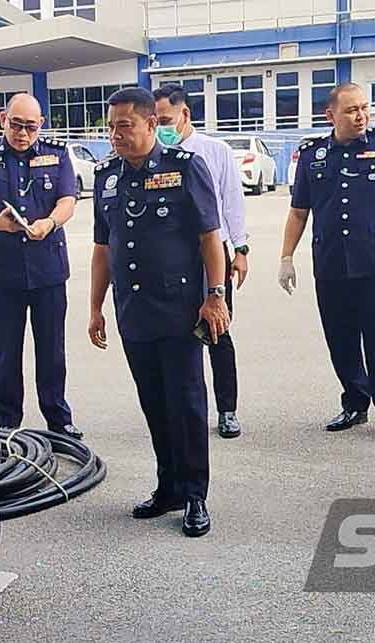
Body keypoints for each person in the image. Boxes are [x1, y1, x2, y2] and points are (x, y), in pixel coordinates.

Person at [88, 87, 229, 537]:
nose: (115, 135)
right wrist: (95, 307)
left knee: (186, 403)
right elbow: (102, 248)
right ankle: (167, 485)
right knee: (154, 403)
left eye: (124, 126)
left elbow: (211, 237)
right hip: (134, 311)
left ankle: (194, 495)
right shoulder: (107, 176)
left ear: (152, 124)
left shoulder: (184, 167)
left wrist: (216, 295)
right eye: (111, 127)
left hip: (180, 309)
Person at [278, 82, 375, 442]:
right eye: (351, 110)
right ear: (331, 116)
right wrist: (286, 257)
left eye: (364, 108)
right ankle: (355, 402)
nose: (361, 116)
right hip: (330, 263)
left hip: (374, 261)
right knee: (340, 338)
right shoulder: (312, 155)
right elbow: (299, 212)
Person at [0, 93, 83, 440]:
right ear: (3, 119)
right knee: (6, 350)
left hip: (48, 270)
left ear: (40, 125)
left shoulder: (56, 155)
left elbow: (67, 201)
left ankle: (58, 419)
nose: (23, 133)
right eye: (16, 125)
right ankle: (8, 423)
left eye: (31, 127)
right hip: (3, 272)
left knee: (52, 350)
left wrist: (50, 223)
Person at [153, 83, 249, 440]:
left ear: (185, 115)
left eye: (164, 119)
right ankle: (183, 409)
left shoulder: (215, 151)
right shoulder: (155, 154)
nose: (159, 126)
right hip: (171, 259)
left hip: (213, 253)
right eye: (154, 120)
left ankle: (227, 410)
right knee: (177, 335)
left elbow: (232, 202)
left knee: (217, 331)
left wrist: (240, 250)